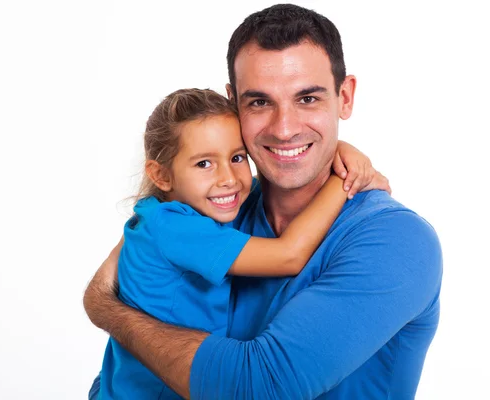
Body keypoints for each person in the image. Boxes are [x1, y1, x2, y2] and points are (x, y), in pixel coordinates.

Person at [85, 4, 442, 399]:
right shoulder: (219, 207)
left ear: (344, 96)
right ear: (233, 103)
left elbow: (259, 388)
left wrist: (109, 311)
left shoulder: (397, 241)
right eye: (259, 102)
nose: (285, 128)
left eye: (307, 99)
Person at [98, 88, 389, 399]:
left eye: (237, 157)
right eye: (204, 164)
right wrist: (344, 180)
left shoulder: (172, 211)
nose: (229, 178)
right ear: (162, 175)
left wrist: (339, 149)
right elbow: (288, 255)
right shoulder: (175, 227)